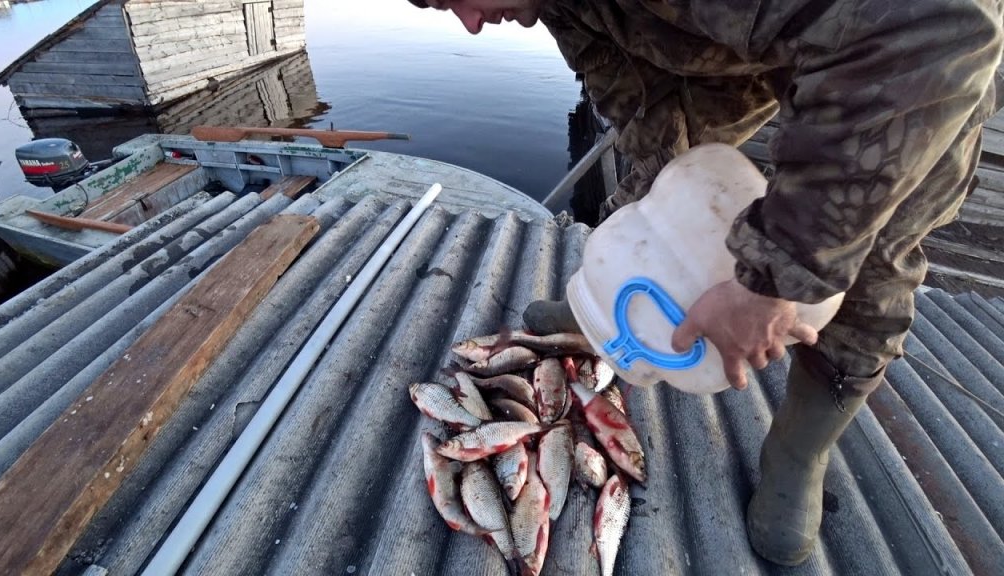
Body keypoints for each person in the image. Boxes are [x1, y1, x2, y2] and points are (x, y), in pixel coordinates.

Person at [407, 0, 1003, 566]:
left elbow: (942, 24)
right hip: (742, 41)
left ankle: (798, 450)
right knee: (667, 184)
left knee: (869, 249)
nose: (471, 25)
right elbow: (642, 100)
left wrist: (770, 281)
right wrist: (655, 214)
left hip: (917, 66)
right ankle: (600, 316)